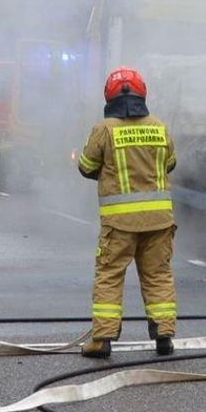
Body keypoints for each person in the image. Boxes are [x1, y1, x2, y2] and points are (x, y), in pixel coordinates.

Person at [77, 67, 178, 359]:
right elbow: (170, 163)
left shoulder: (103, 130)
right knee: (158, 275)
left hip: (119, 225)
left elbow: (86, 166)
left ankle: (103, 340)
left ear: (109, 95)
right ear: (142, 92)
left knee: (109, 275)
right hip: (159, 222)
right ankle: (164, 335)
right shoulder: (159, 127)